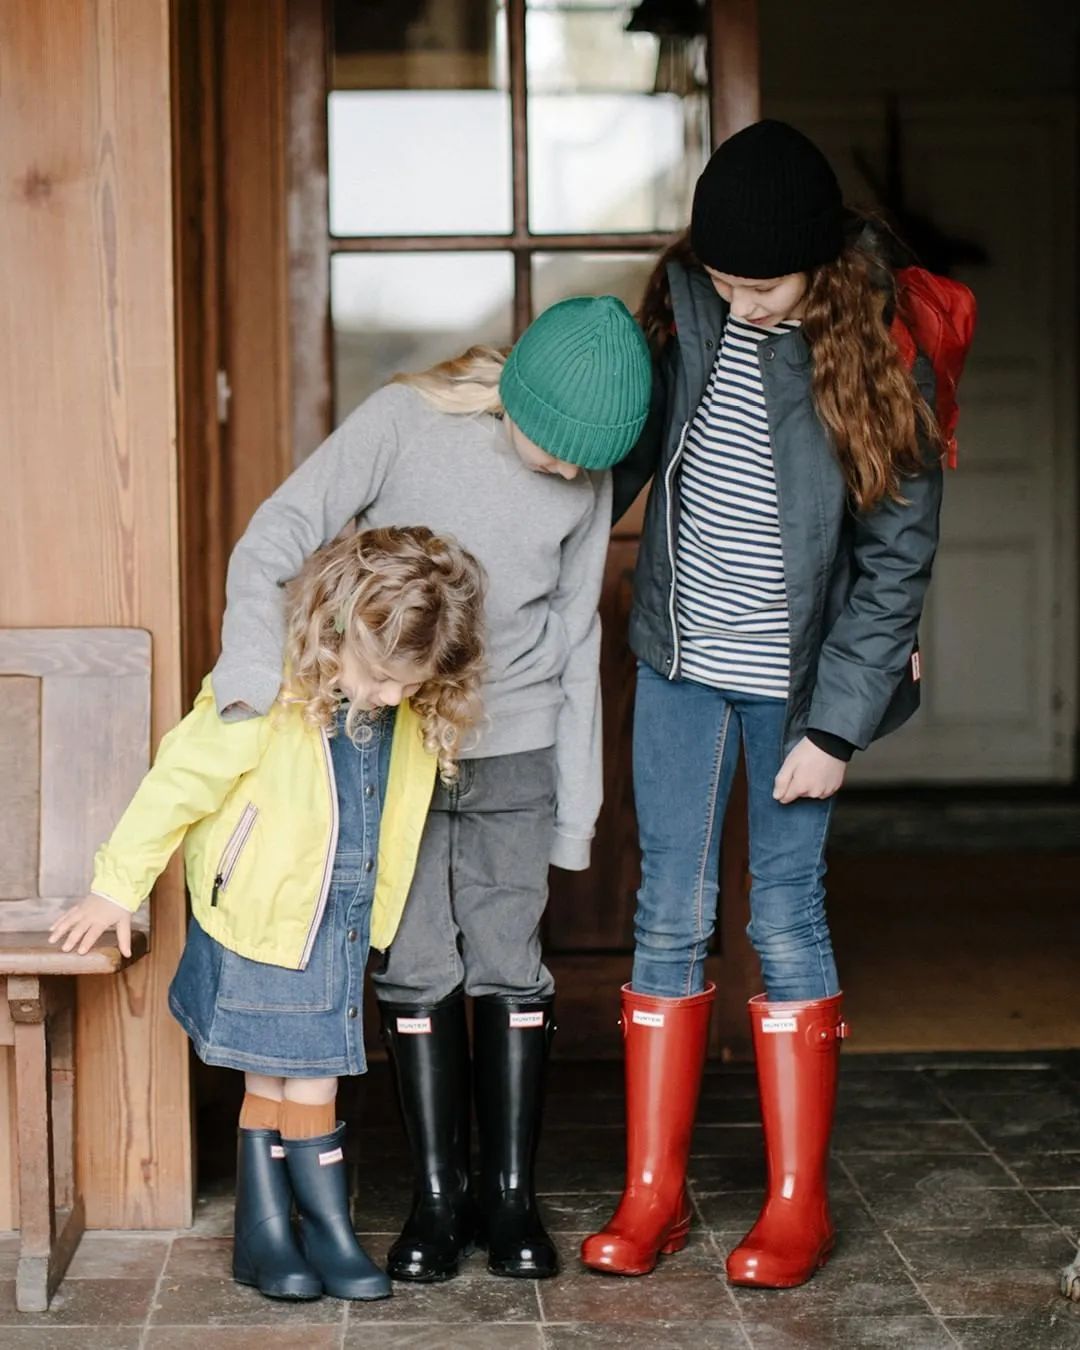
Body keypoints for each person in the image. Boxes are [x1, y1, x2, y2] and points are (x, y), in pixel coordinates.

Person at [209, 296, 653, 1281]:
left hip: (518, 750)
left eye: (593, 462)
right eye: (557, 446)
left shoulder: (588, 472)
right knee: (415, 963)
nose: (573, 472)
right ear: (515, 396)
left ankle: (509, 1201)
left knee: (507, 960)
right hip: (393, 745)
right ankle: (436, 1200)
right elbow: (275, 534)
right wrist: (250, 675)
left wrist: (576, 809)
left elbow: (578, 638)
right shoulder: (404, 424)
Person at [581, 120, 944, 1288]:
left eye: (764, 286)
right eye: (725, 280)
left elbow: (897, 560)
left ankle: (796, 1206)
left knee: (785, 919)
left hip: (797, 695)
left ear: (821, 268)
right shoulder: (686, 309)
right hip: (681, 669)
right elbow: (610, 454)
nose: (741, 303)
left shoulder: (876, 348)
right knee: (667, 917)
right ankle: (656, 1195)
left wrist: (839, 727)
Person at [49, 526, 485, 1303]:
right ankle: (321, 1231)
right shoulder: (264, 689)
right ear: (340, 626)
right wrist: (116, 885)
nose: (389, 697)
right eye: (381, 677)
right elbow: (179, 779)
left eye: (405, 685)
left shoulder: (402, 711)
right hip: (264, 912)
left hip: (337, 916)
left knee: (281, 1072)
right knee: (309, 1077)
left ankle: (265, 1235)